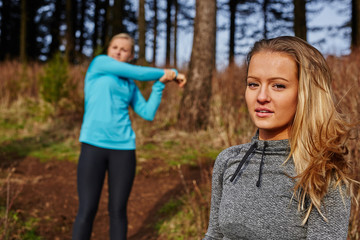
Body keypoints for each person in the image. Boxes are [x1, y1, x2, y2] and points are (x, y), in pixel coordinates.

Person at [203, 36, 357, 239]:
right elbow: (214, 235)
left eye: (278, 85)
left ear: (305, 93)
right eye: (253, 84)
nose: (261, 96)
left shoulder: (323, 173)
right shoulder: (228, 160)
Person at [72, 33, 186, 240]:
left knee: (118, 211)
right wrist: (172, 72)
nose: (118, 51)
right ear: (108, 50)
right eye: (114, 47)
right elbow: (139, 73)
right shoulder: (99, 65)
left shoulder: (129, 84)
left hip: (124, 149)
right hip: (93, 145)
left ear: (130, 56)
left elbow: (147, 112)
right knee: (87, 210)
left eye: (124, 50)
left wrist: (160, 84)